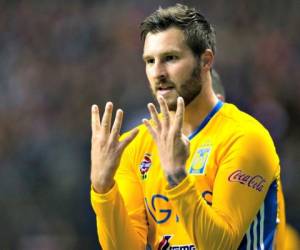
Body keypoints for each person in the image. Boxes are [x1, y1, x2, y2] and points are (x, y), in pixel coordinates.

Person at [90, 4, 285, 249]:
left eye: (170, 58)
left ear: (205, 61)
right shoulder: (134, 145)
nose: (157, 72)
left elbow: (220, 245)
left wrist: (177, 177)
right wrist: (103, 189)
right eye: (150, 61)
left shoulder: (246, 138)